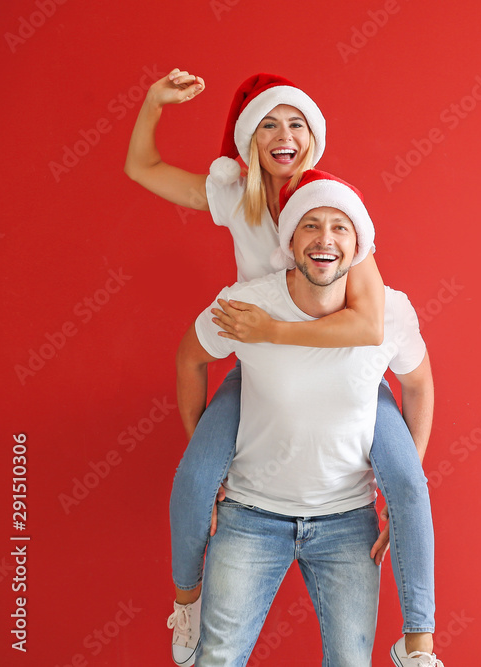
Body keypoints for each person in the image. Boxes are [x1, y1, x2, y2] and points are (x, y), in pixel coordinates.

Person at [125, 71, 441, 666]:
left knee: (408, 488)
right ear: (249, 139)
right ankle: (186, 602)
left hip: (345, 373)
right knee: (196, 478)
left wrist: (270, 329)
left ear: (315, 136)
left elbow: (370, 327)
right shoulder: (237, 195)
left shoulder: (335, 210)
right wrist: (152, 105)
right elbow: (144, 169)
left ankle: (419, 643)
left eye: (296, 122)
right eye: (267, 123)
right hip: (260, 365)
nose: (282, 135)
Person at [177, 170, 434, 666]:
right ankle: (182, 599)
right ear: (290, 240)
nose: (325, 239)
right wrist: (208, 467)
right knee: (217, 660)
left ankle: (420, 641)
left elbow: (420, 384)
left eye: (340, 227)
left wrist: (398, 496)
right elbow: (190, 358)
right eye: (311, 225)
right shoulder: (247, 305)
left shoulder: (391, 314)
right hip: (251, 517)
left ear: (359, 245)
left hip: (347, 524)